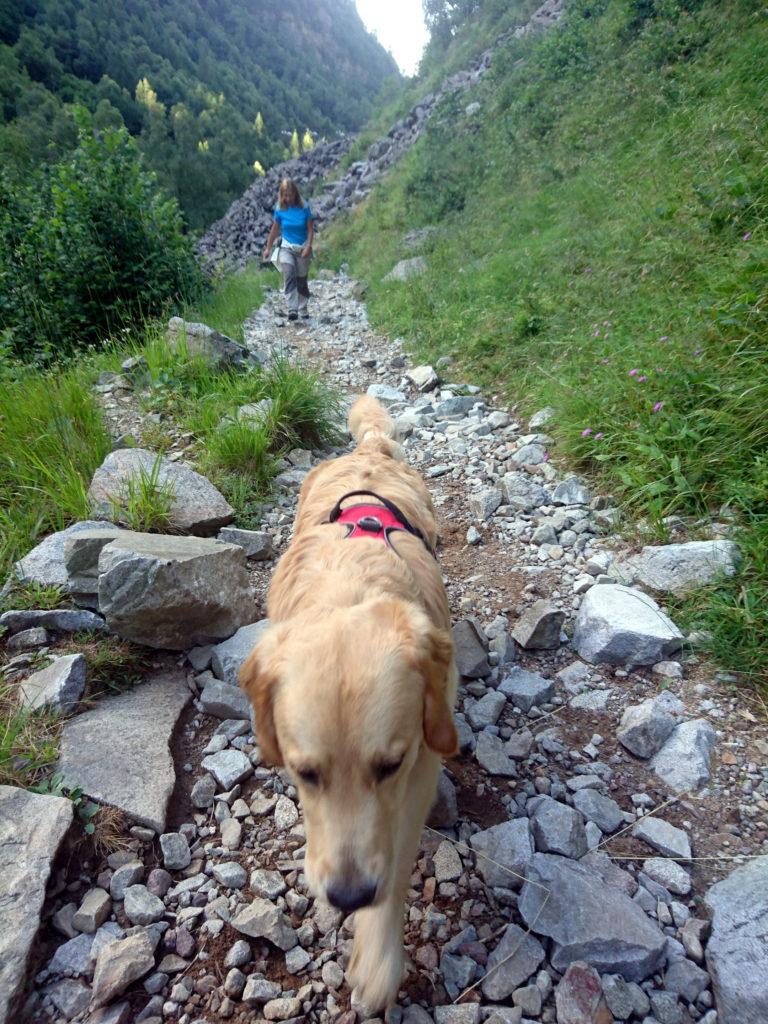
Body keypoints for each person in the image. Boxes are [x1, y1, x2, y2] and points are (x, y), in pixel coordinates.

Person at [262, 178, 314, 321]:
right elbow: (274, 230)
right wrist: (268, 248)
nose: (288, 198)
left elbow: (310, 229)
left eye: (290, 195)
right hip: (286, 247)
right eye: (285, 195)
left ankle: (303, 308)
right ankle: (292, 309)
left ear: (295, 193)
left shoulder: (304, 207)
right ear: (282, 195)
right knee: (289, 274)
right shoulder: (280, 209)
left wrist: (308, 246)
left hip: (303, 247)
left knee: (301, 280)